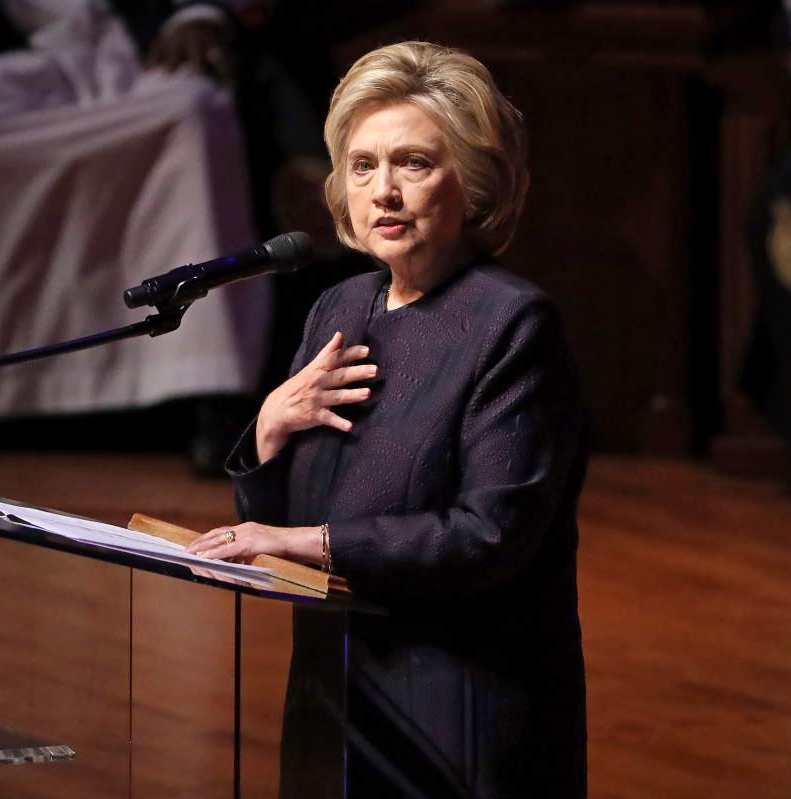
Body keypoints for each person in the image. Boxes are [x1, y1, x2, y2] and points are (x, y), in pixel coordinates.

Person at [187, 41, 588, 798]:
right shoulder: (339, 309)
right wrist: (269, 433)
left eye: (413, 163)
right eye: (363, 166)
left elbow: (488, 537)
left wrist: (306, 540)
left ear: (472, 183)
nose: (384, 192)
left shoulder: (512, 325)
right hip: (334, 693)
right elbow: (273, 524)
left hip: (456, 711)